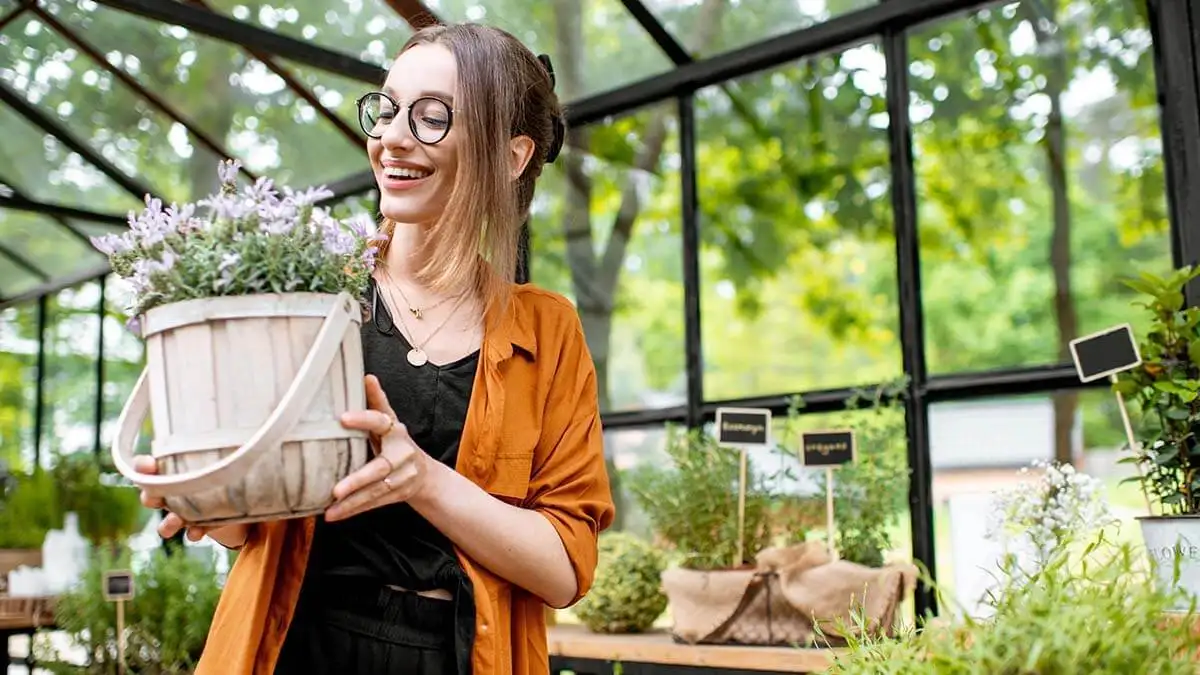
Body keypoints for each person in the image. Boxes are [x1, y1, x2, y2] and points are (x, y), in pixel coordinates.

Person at [132, 22, 615, 675]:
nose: (391, 137)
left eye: (433, 117)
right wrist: (210, 501)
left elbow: (564, 567)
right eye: (387, 109)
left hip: (462, 654)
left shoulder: (547, 329)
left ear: (511, 156)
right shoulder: (307, 290)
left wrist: (420, 478)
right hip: (297, 646)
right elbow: (259, 525)